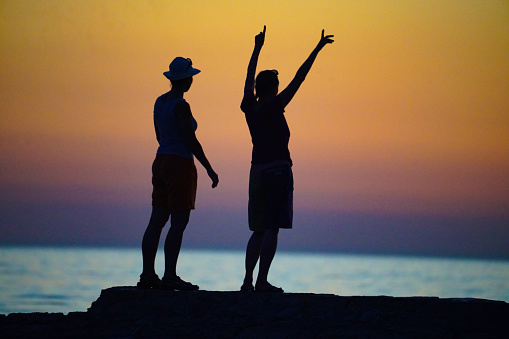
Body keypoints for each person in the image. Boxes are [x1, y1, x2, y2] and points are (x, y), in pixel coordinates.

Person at [240, 26, 333, 292]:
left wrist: (256, 49)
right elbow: (299, 78)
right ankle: (261, 282)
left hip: (256, 171)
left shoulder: (249, 106)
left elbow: (248, 78)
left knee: (258, 229)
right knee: (271, 229)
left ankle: (248, 281)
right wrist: (316, 49)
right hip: (277, 171)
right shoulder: (274, 105)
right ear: (274, 88)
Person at [138, 57, 219, 291]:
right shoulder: (181, 106)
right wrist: (208, 168)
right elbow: (190, 140)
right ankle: (170, 276)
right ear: (187, 80)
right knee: (178, 222)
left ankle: (147, 274)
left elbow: (158, 135)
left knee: (156, 221)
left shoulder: (159, 102)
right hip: (179, 164)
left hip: (161, 160)